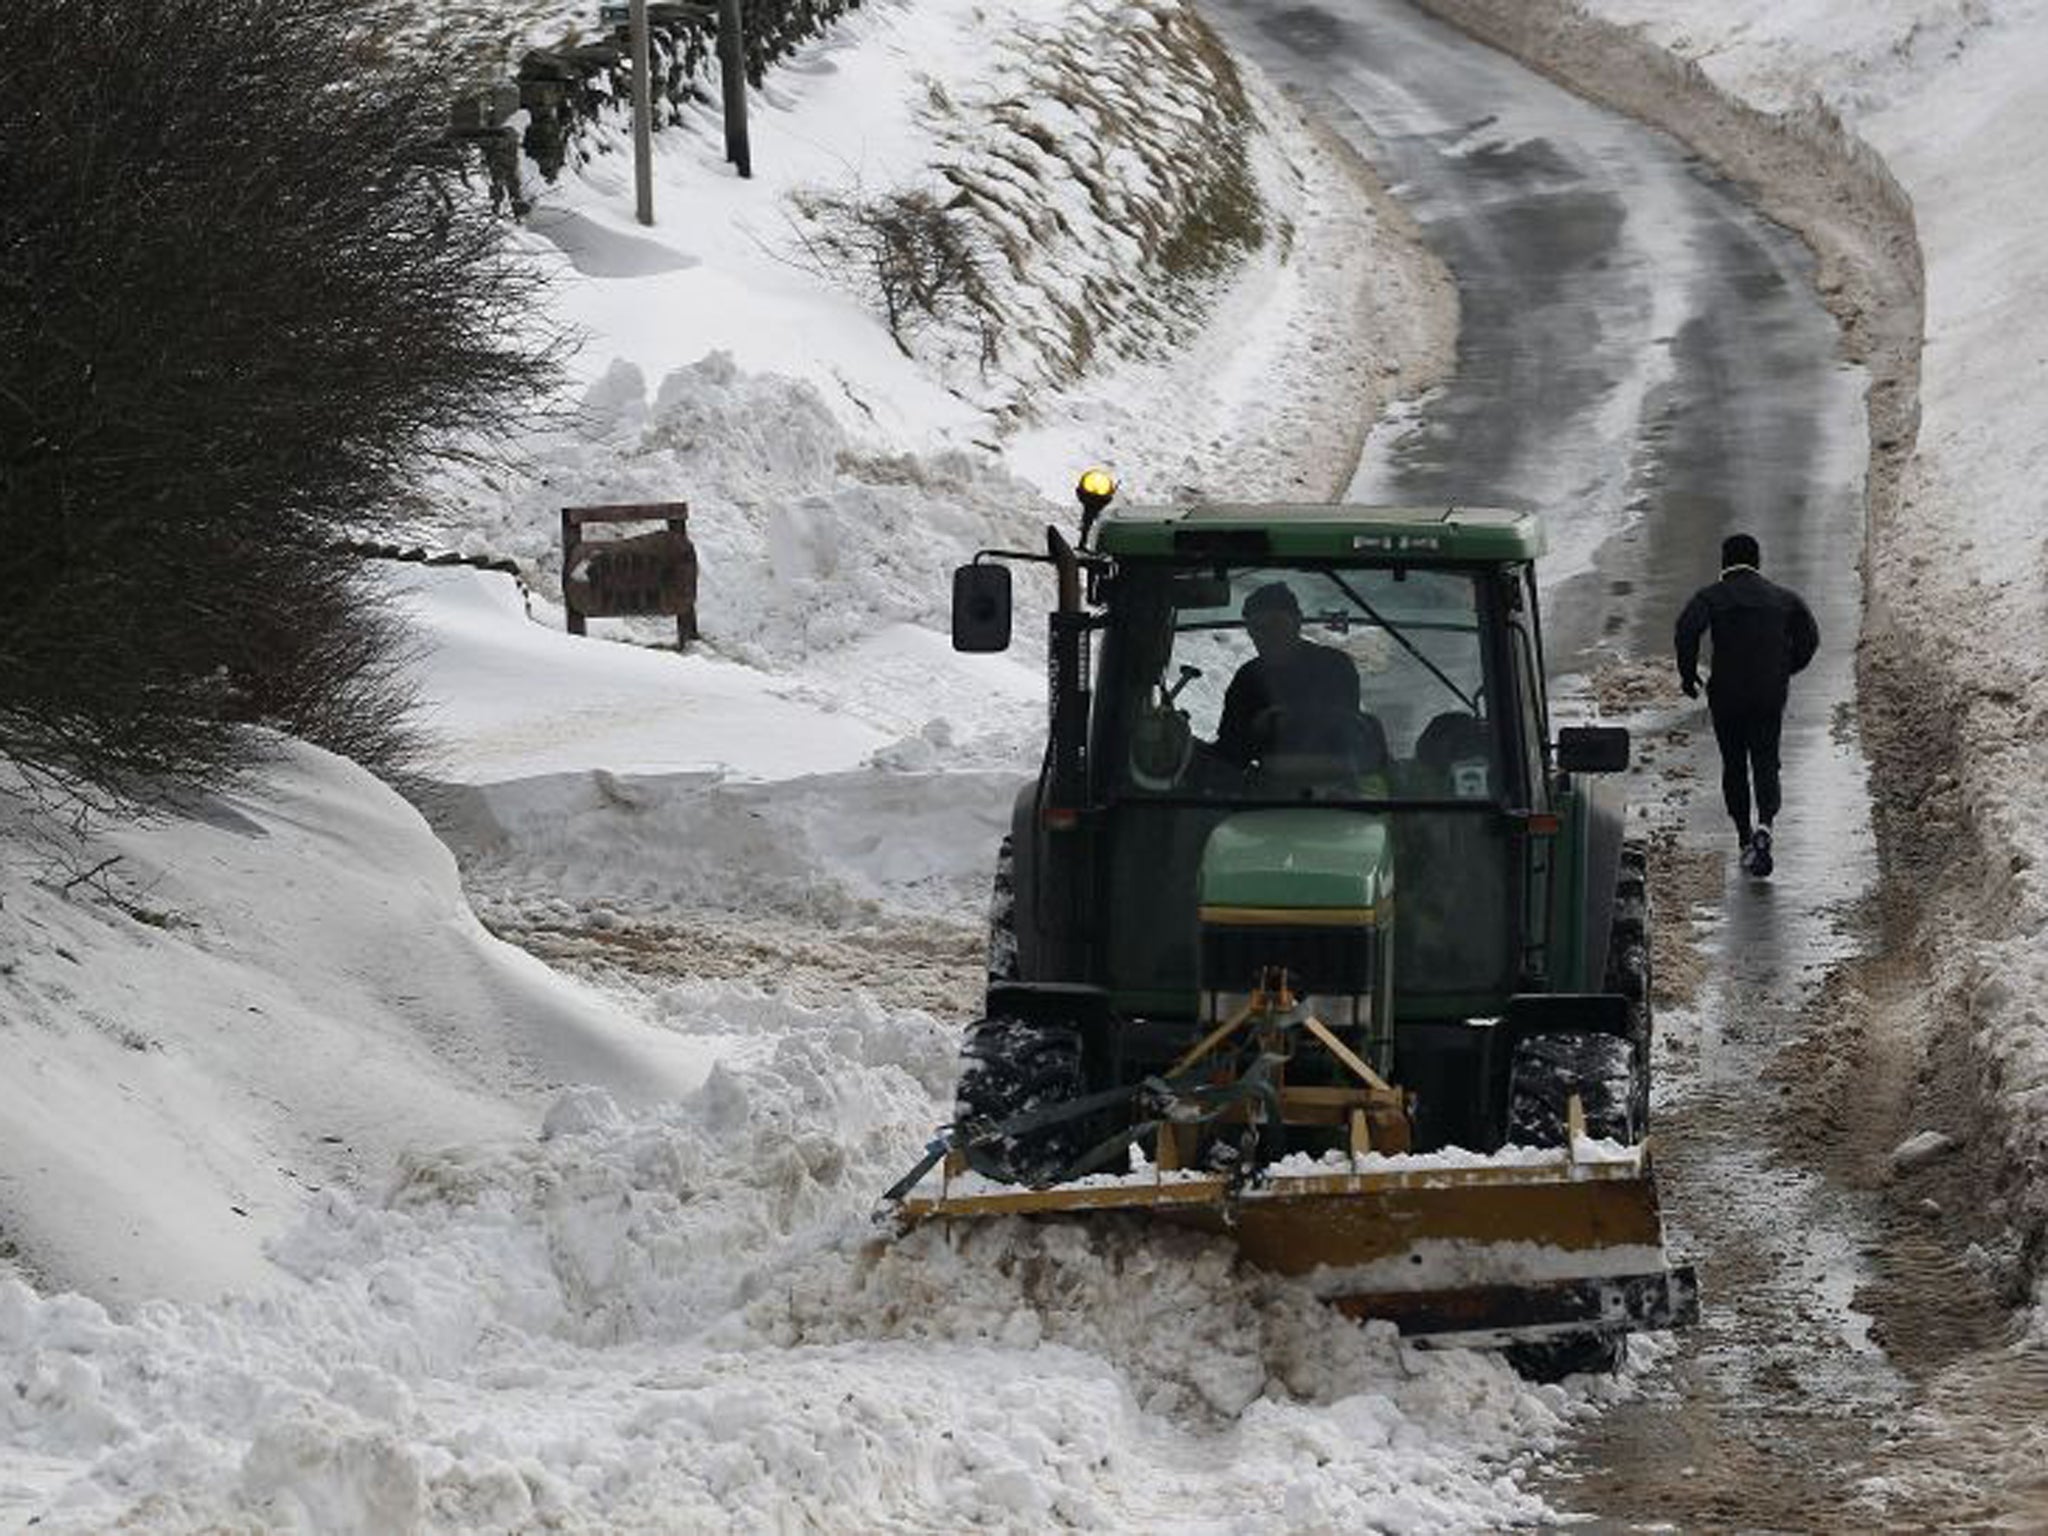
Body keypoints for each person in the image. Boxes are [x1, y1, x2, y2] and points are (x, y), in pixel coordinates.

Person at [1674, 533, 1819, 878]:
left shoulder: (1711, 597)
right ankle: (1766, 825)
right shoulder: (1783, 599)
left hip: (1727, 696)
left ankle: (1742, 838)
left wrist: (1688, 674)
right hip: (1768, 695)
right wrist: (1785, 669)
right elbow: (1810, 639)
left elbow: (1686, 630)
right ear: (1758, 562)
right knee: (1766, 759)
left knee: (1734, 765)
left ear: (1724, 562)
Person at [1215, 581, 1368, 770]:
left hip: (1335, 785)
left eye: (1276, 623)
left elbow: (1345, 728)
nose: (1267, 633)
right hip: (1265, 789)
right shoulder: (1247, 679)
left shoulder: (1334, 665)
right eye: (1257, 626)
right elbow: (1229, 754)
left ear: (1297, 621)